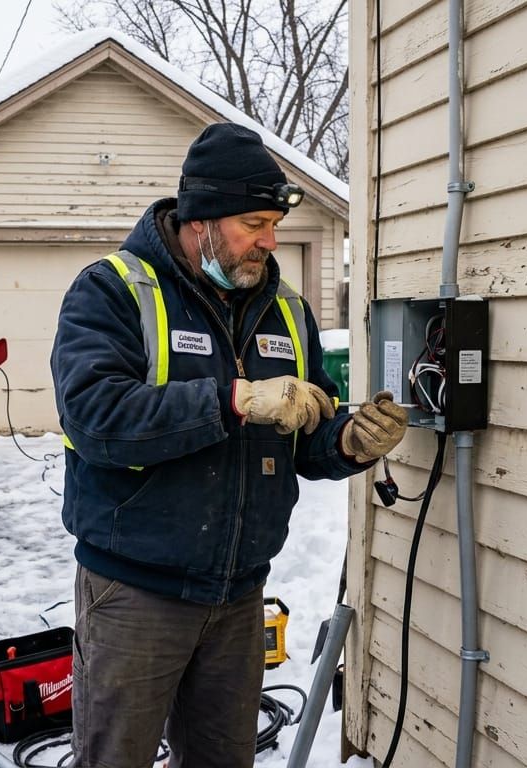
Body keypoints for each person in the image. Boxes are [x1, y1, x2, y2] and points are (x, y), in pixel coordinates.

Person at [50, 122, 409, 768]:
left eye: (273, 223)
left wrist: (350, 440)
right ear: (201, 219)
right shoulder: (113, 291)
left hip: (239, 597)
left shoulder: (286, 312)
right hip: (135, 596)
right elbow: (93, 418)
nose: (270, 241)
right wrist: (234, 399)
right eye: (254, 223)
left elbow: (306, 438)